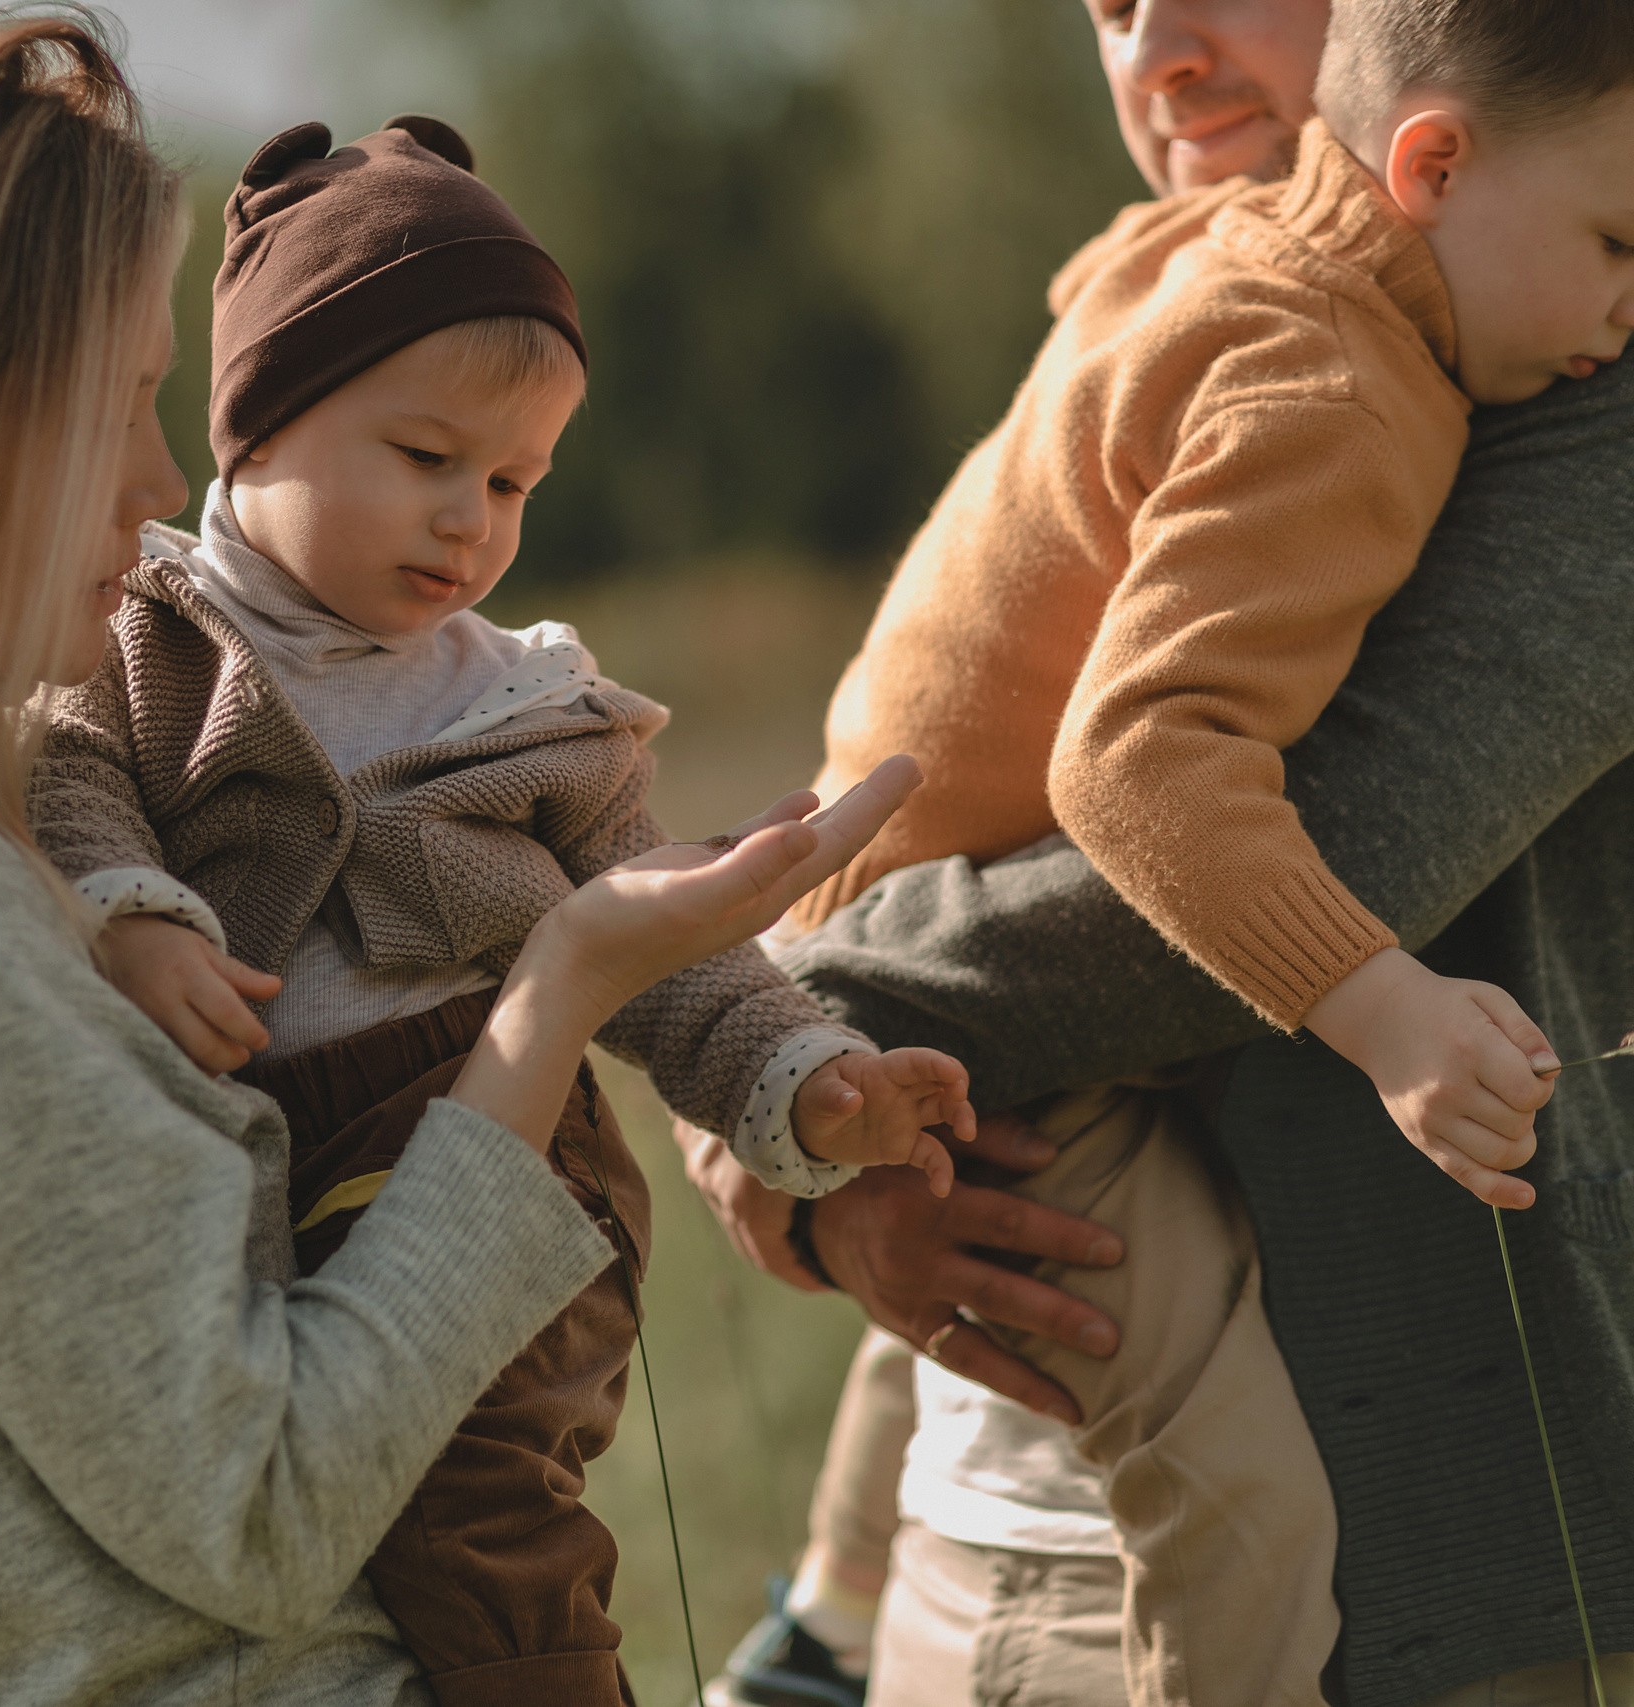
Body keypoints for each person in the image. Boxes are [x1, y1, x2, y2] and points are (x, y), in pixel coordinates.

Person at [0, 21, 938, 1706]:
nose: (164, 479)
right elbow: (263, 1505)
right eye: (117, 402)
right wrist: (558, 992)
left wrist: (771, 1059)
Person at [699, 1, 1634, 1703]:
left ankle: (813, 1636)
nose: (1160, 56)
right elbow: (1133, 773)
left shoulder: (1530, 323)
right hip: (984, 1542)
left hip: (1402, 1580)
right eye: (1113, 5)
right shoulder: (1274, 318)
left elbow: (1346, 843)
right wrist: (781, 1053)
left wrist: (773, 1018)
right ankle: (823, 1627)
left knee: (1240, 1512)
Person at [27, 118, 970, 1707]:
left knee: (472, 1502)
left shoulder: (532, 714)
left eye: (515, 479)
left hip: (495, 1147)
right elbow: (62, 770)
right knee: (293, 1493)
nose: (473, 518)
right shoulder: (143, 640)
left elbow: (672, 950)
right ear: (254, 428)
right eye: (426, 460)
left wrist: (806, 1083)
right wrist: (124, 909)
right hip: (256, 1177)